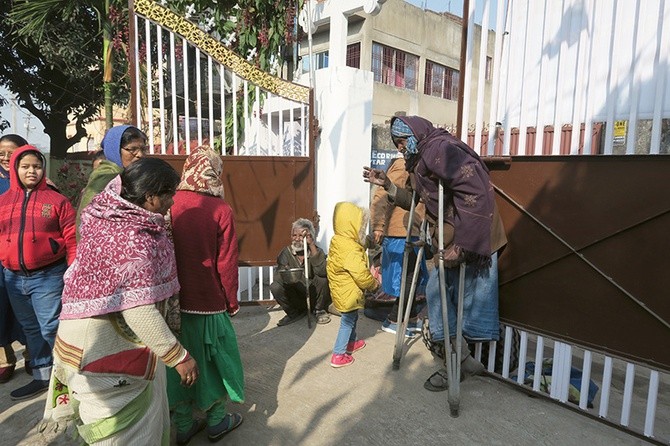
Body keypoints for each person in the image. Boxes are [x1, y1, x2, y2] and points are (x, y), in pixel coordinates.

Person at [50, 157, 197, 445]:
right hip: (105, 350)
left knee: (99, 423)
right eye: (169, 194)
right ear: (151, 197)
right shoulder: (134, 239)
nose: (173, 202)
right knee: (126, 433)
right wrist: (180, 357)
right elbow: (138, 310)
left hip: (76, 341)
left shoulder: (105, 216)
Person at [363, 115, 507, 391]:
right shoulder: (418, 161)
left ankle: (457, 365)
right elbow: (415, 200)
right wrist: (388, 186)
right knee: (439, 297)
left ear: (415, 135)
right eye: (397, 143)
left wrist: (463, 246)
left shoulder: (442, 150)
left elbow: (475, 191)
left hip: (471, 238)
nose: (400, 147)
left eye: (403, 141)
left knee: (453, 301)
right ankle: (461, 362)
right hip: (446, 239)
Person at [167, 147, 244, 444]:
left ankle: (184, 425)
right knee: (213, 363)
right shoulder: (221, 209)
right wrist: (231, 301)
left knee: (177, 361)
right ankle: (215, 421)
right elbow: (226, 262)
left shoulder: (169, 201)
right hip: (208, 302)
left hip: (171, 303)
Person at [0, 145, 77, 400]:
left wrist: (73, 269)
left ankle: (70, 377)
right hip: (13, 277)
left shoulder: (57, 201)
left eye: (36, 166)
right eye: (25, 167)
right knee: (31, 329)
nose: (32, 171)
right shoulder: (3, 202)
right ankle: (43, 377)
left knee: (51, 327)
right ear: (15, 169)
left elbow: (72, 238)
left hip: (48, 276)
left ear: (43, 169)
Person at [370, 156, 428, 337]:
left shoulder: (420, 165)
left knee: (414, 278)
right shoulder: (403, 165)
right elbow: (381, 195)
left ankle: (410, 318)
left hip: (413, 229)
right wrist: (378, 226)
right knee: (407, 280)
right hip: (400, 231)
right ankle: (393, 320)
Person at [326, 201, 380, 368]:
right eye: (361, 226)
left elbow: (361, 243)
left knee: (352, 317)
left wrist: (371, 241)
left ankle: (351, 344)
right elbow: (361, 274)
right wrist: (374, 285)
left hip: (343, 290)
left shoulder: (341, 240)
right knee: (347, 321)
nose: (362, 230)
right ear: (351, 226)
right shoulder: (350, 249)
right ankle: (338, 354)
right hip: (348, 292)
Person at [77, 125, 148, 231]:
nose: (140, 155)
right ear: (114, 150)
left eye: (143, 149)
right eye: (132, 149)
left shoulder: (129, 176)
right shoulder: (106, 177)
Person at [0, 134, 30, 384]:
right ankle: (4, 358)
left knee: (27, 310)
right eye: (2, 152)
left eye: (11, 152)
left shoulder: (33, 180)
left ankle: (34, 354)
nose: (5, 157)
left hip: (24, 259)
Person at [270, 218, 332, 326]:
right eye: (294, 235)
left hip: (313, 295)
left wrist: (311, 245)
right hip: (296, 296)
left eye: (301, 236)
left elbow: (322, 271)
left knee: (322, 278)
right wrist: (286, 274)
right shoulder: (286, 253)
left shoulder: (316, 251)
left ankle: (319, 310)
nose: (297, 239)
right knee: (275, 286)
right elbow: (278, 278)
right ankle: (293, 313)